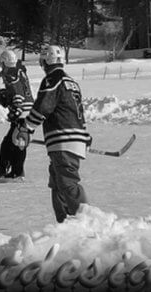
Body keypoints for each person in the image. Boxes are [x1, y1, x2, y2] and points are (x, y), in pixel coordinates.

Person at [12, 45, 91, 223]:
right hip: (71, 138)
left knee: (66, 183)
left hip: (64, 139)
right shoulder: (71, 82)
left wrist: (27, 127)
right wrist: (84, 135)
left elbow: (43, 106)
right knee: (57, 183)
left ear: (46, 61)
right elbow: (78, 111)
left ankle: (89, 222)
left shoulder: (52, 79)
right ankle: (64, 225)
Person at [0, 49, 33, 182]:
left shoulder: (11, 74)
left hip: (23, 112)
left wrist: (16, 110)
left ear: (3, 62)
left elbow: (17, 92)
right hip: (28, 110)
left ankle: (15, 171)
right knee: (14, 142)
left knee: (15, 143)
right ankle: (12, 170)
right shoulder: (18, 69)